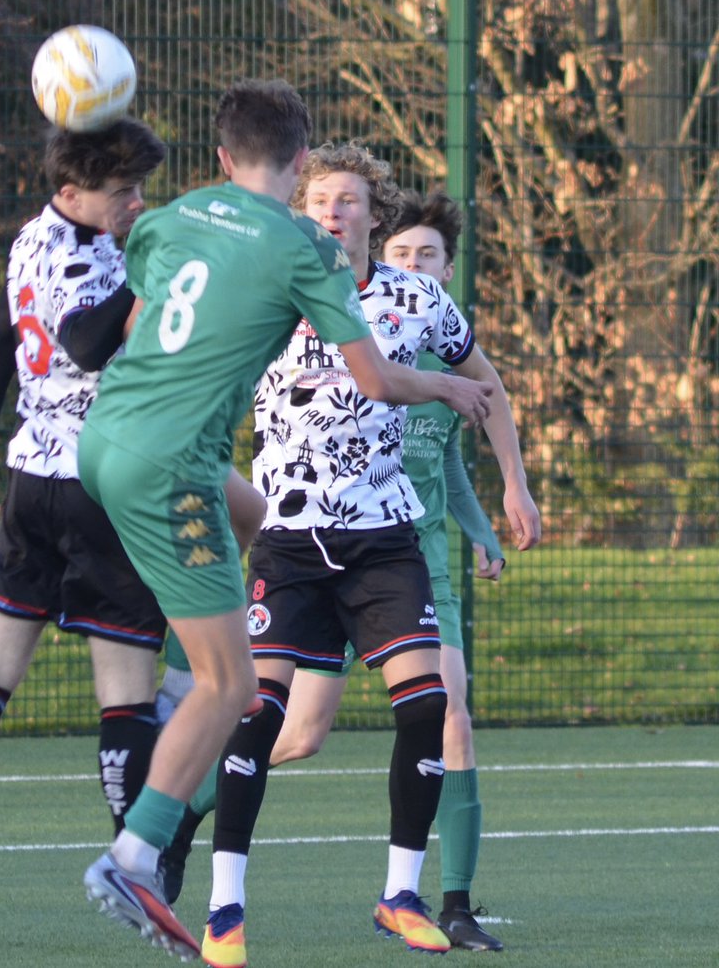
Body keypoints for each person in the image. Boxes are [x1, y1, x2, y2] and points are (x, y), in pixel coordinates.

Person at [76, 82, 493, 961]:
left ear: (222, 159)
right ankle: (138, 851)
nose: (335, 210)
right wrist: (450, 389)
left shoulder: (179, 217)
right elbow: (379, 380)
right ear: (300, 168)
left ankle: (181, 687)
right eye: (323, 192)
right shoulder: (302, 250)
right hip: (179, 465)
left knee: (256, 520)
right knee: (239, 695)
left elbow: (121, 325)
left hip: (113, 440)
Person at [197, 143, 541, 968]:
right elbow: (198, 389)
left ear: (373, 216)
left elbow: (484, 386)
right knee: (262, 713)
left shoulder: (417, 300)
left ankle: (400, 895)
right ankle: (224, 910)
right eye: (319, 200)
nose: (332, 213)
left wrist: (515, 485)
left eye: (348, 201)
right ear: (296, 211)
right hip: (288, 540)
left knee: (427, 704)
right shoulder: (262, 297)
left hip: (385, 537)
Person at [0, 118, 173, 946]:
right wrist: (144, 276)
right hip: (101, 484)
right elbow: (86, 342)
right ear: (71, 193)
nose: (134, 203)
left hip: (31, 485)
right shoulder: (84, 254)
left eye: (139, 189)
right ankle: (136, 872)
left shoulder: (30, 235)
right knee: (127, 691)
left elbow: (0, 328)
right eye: (119, 191)